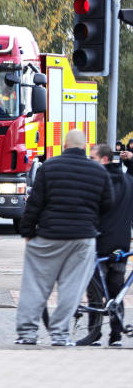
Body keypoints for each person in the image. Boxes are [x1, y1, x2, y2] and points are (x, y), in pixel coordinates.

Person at [14, 129, 113, 346]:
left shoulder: (49, 167)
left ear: (65, 146)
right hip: (82, 238)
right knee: (72, 288)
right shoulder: (98, 172)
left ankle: (27, 334)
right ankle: (60, 335)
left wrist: (28, 232)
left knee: (36, 285)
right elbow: (107, 204)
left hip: (49, 236)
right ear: (85, 147)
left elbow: (35, 204)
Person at [89, 143, 133, 346]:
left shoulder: (97, 183)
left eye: (93, 158)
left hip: (99, 244)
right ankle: (116, 335)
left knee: (96, 292)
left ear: (104, 159)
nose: (90, 161)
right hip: (121, 245)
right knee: (117, 290)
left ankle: (94, 333)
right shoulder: (129, 182)